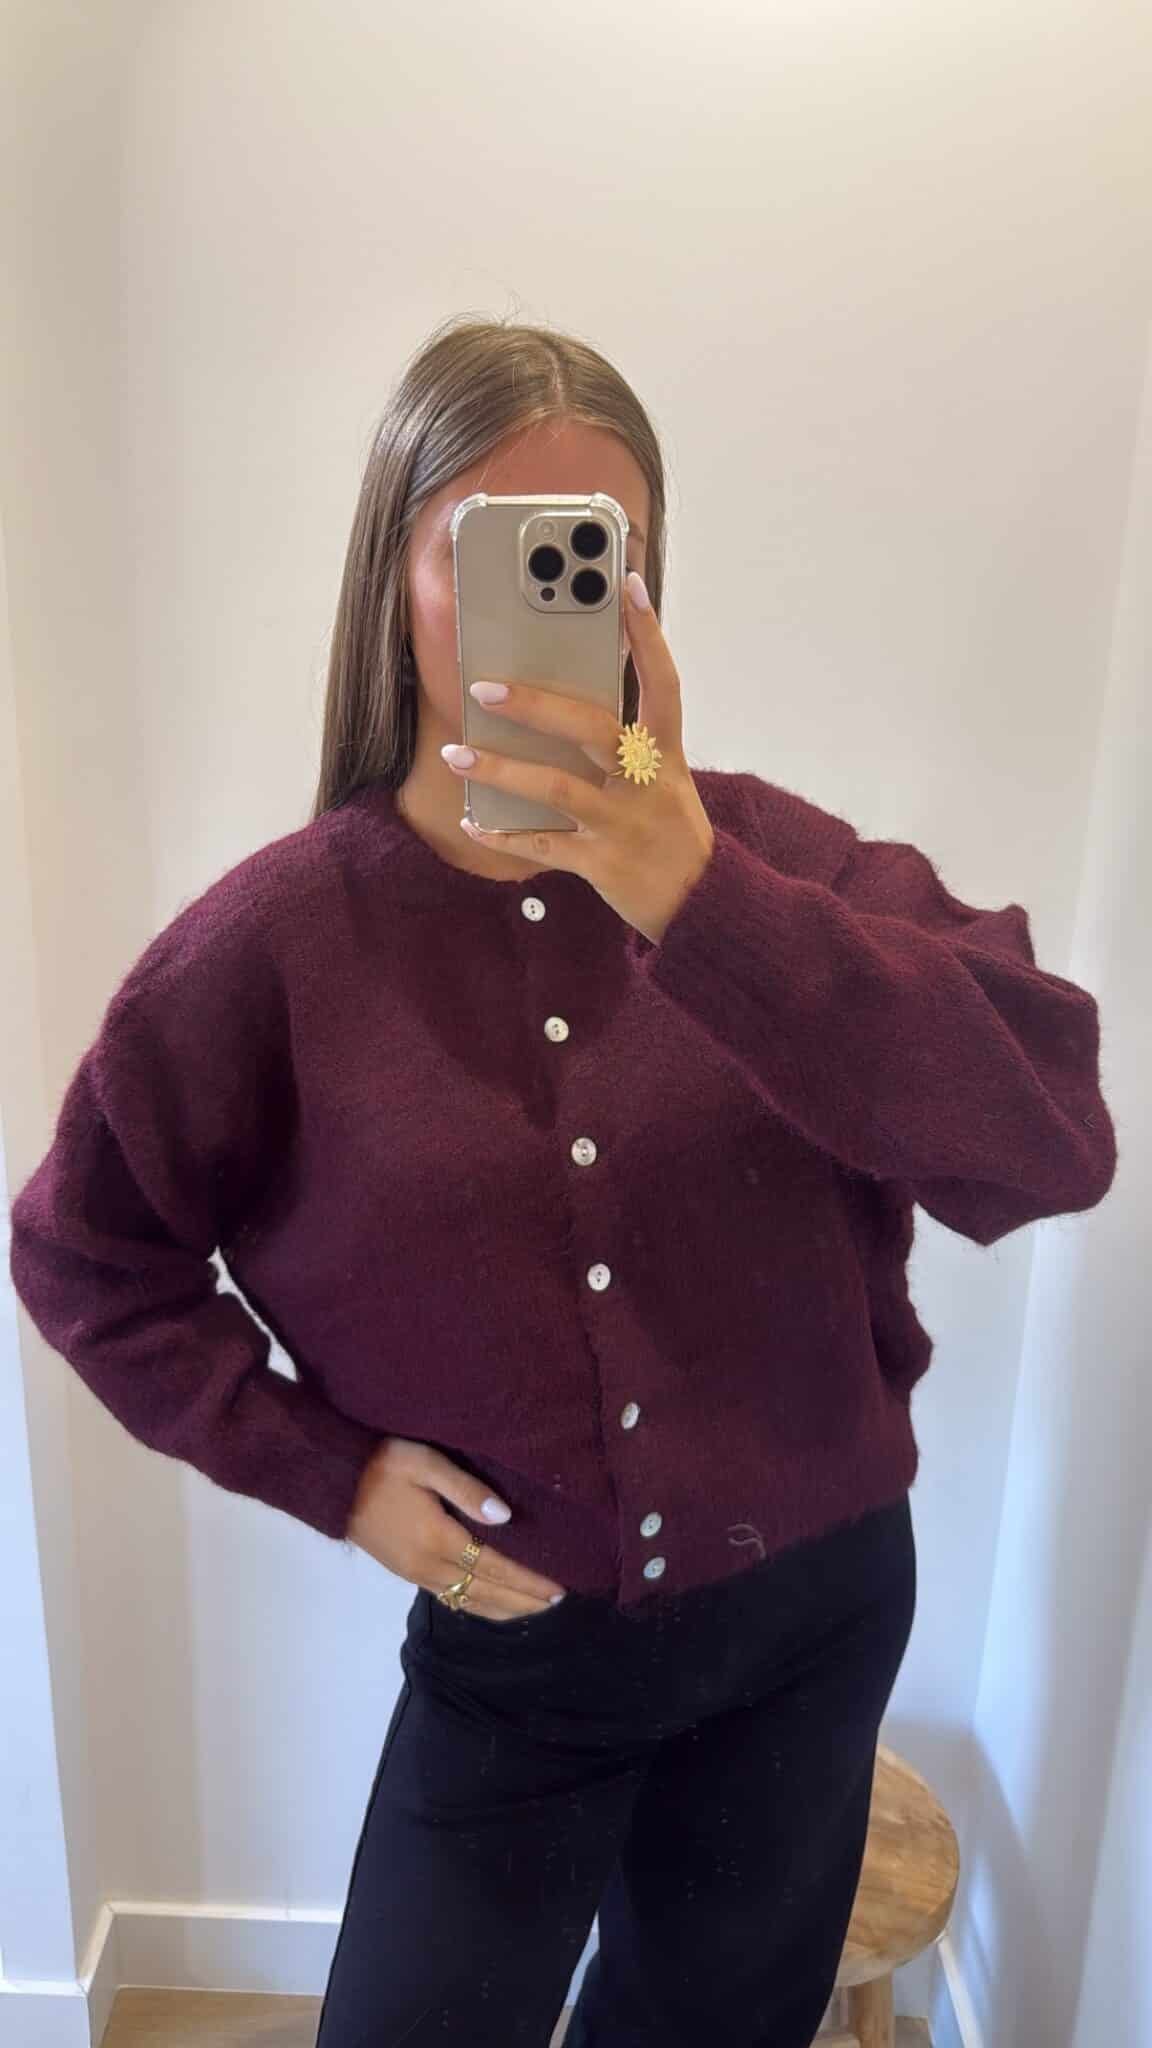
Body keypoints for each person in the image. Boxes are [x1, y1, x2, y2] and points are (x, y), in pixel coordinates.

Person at [8, 316, 1118, 2048]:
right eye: (485, 550)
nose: (543, 601)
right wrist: (329, 1474)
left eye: (597, 554)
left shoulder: (777, 865)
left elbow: (1051, 1132)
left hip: (813, 1624)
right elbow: (86, 1254)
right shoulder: (276, 948)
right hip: (514, 1659)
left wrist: (699, 895)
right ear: (395, 580)